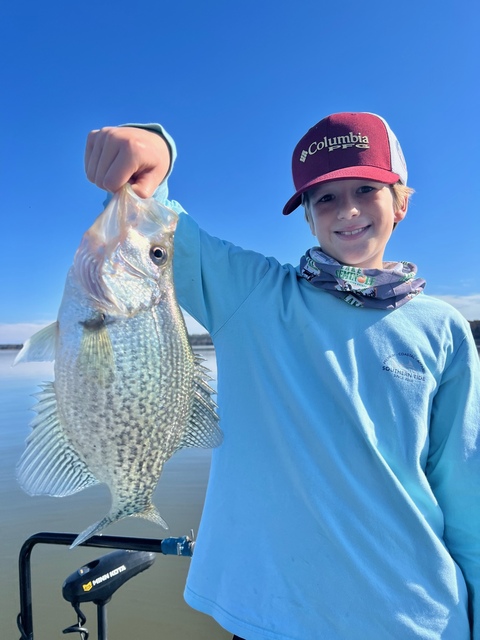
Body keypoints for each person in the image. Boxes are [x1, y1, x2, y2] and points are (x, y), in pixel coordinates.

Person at [85, 112, 480, 640]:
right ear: (309, 218)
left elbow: (462, 487)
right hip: (271, 613)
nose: (349, 210)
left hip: (414, 615)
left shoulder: (443, 328)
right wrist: (155, 148)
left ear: (401, 201)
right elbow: (152, 228)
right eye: (326, 199)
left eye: (367, 189)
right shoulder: (253, 295)